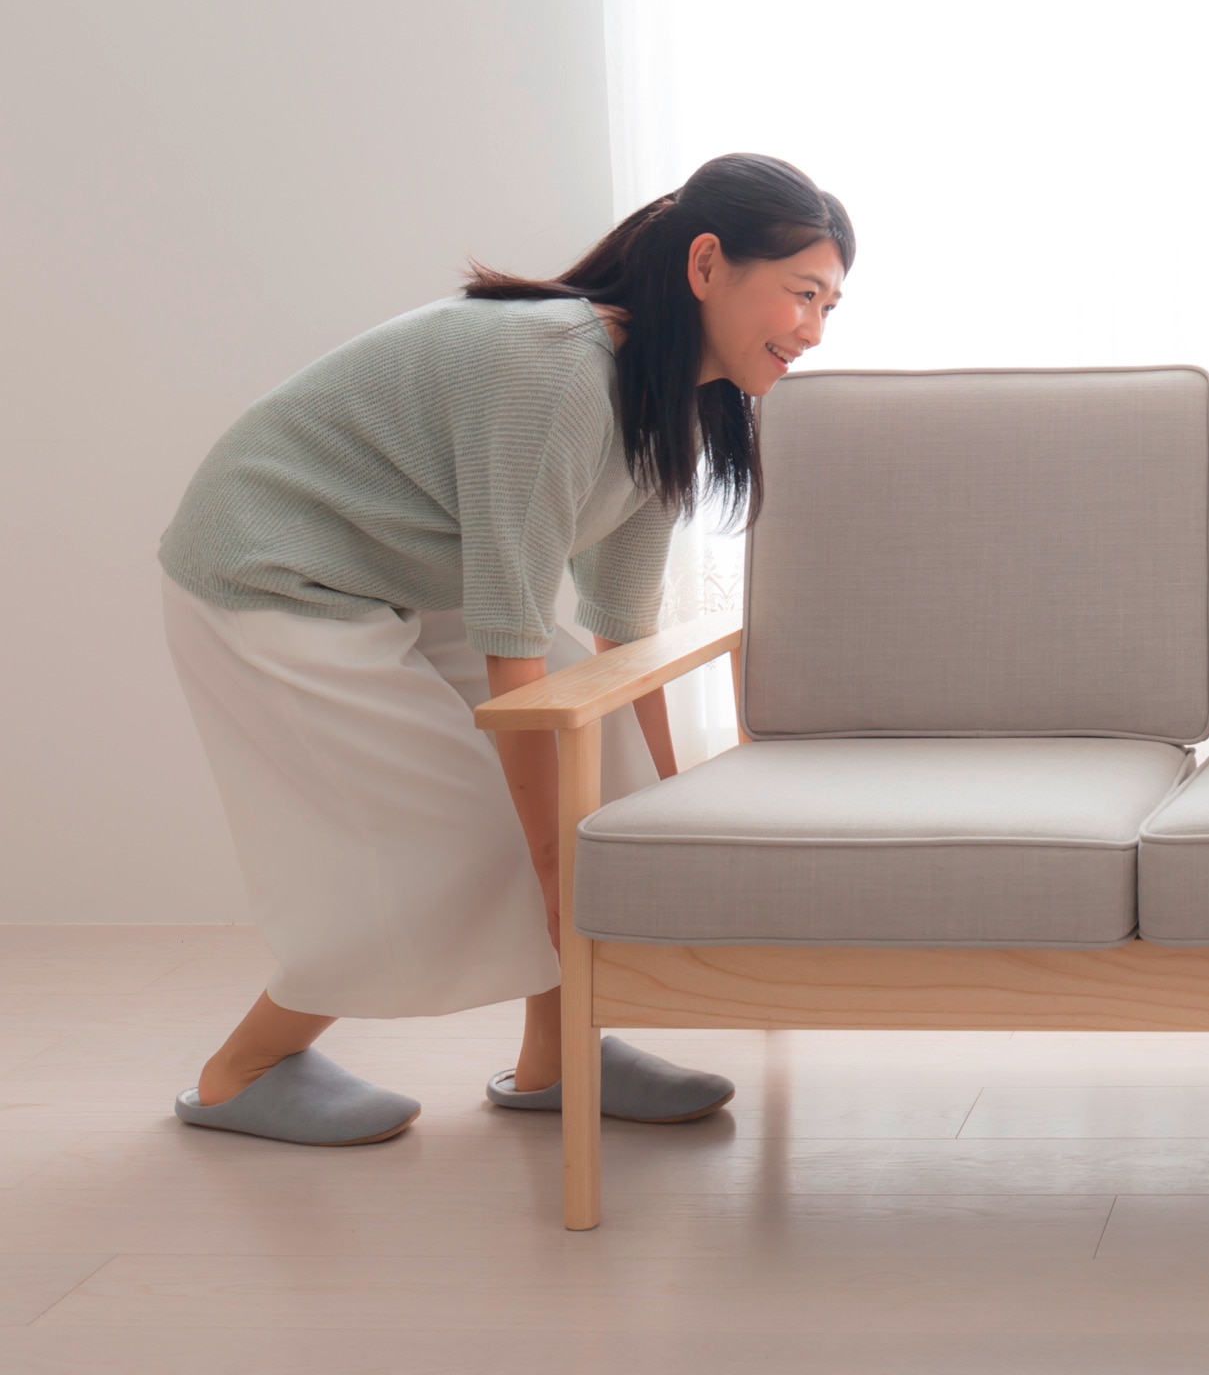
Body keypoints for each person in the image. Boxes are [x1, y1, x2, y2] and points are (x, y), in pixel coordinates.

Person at [158, 153, 853, 1145]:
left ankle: (556, 1059)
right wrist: (552, 863)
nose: (812, 332)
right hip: (273, 572)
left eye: (832, 306)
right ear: (707, 266)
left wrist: (675, 809)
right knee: (472, 844)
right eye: (800, 295)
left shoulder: (679, 402)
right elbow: (516, 649)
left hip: (401, 578)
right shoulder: (556, 369)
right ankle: (242, 1071)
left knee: (600, 770)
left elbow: (624, 629)